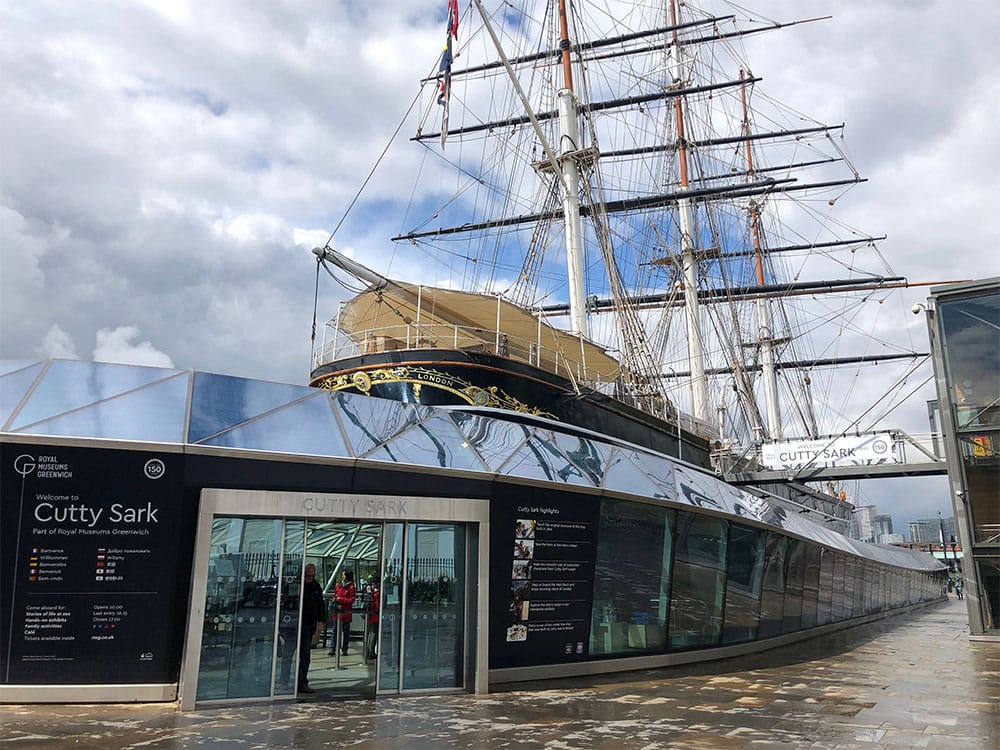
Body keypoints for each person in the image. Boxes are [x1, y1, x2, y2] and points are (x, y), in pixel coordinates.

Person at [297, 563, 326, 694]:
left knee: (305, 654)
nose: (310, 578)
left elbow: (320, 604)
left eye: (312, 576)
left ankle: (302, 681)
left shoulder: (316, 586)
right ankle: (286, 681)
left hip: (309, 624)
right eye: (308, 576)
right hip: (296, 623)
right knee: (290, 653)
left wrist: (321, 620)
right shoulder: (297, 585)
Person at [334, 570, 357, 656]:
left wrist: (340, 599)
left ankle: (344, 649)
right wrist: (336, 598)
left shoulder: (351, 587)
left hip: (346, 612)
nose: (342, 576)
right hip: (338, 611)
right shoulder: (339, 585)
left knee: (346, 631)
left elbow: (352, 600)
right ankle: (333, 648)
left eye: (343, 574)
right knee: (335, 630)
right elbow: (335, 594)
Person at [365, 577, 380, 660]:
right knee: (374, 633)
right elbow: (378, 606)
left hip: (370, 615)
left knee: (370, 633)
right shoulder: (377, 594)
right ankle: (371, 651)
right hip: (375, 615)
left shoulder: (370, 592)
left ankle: (367, 651)